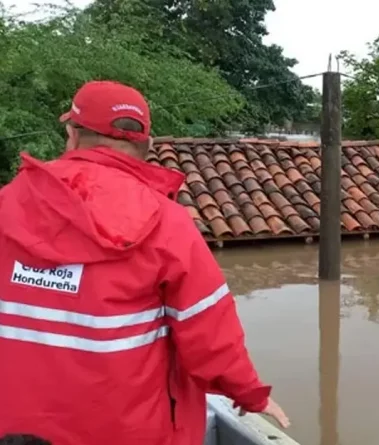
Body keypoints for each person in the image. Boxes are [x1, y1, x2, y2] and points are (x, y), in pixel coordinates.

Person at [0, 81, 289, 445]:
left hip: (19, 430)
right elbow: (209, 337)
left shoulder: (6, 205)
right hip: (128, 431)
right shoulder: (167, 225)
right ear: (147, 146)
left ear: (72, 135)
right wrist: (251, 394)